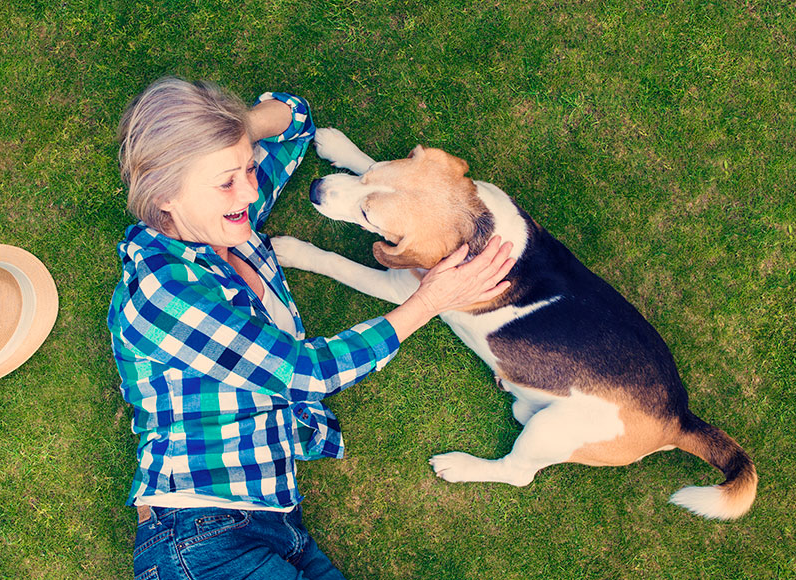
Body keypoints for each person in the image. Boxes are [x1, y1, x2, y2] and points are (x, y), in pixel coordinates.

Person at [108, 77, 514, 580]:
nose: (251, 189)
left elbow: (296, 122)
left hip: (268, 526)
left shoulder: (225, 222)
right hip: (200, 538)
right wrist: (429, 300)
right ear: (167, 194)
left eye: (250, 169)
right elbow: (305, 373)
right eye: (226, 181)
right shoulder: (163, 291)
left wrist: (230, 133)